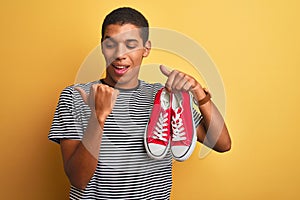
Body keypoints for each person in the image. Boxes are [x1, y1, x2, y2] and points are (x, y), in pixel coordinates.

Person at [49, 7, 231, 200]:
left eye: (131, 44)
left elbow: (222, 144)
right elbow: (79, 179)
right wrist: (98, 117)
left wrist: (199, 94)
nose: (120, 55)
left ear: (146, 48)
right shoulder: (75, 97)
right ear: (102, 46)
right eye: (111, 44)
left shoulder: (164, 97)